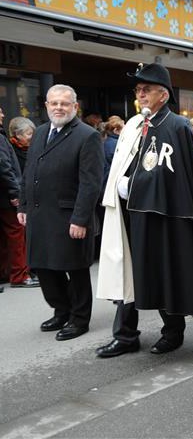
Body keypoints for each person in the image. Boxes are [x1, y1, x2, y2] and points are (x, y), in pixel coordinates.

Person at [96, 62, 193, 358]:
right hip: (130, 214)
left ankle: (173, 330)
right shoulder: (133, 124)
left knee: (164, 273)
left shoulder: (178, 126)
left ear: (163, 95)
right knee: (129, 273)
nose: (140, 95)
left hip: (165, 216)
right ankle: (125, 334)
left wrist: (136, 186)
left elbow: (180, 176)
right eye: (138, 90)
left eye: (147, 90)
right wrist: (120, 187)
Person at [18, 84, 104, 340]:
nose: (58, 107)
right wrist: (22, 205)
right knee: (44, 267)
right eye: (53, 103)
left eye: (64, 103)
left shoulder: (87, 136)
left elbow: (91, 183)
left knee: (74, 269)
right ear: (46, 106)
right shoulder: (41, 132)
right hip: (39, 215)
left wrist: (80, 219)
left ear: (75, 107)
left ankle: (79, 319)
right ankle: (61, 310)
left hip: (69, 217)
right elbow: (29, 173)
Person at [0, 116, 37, 288]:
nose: (2, 115)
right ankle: (19, 275)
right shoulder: (2, 139)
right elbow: (5, 167)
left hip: (5, 195)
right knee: (16, 234)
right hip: (7, 196)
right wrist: (15, 193)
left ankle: (7, 272)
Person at [103, 115, 125, 188]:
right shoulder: (115, 144)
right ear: (116, 131)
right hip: (109, 182)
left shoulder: (108, 142)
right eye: (123, 129)